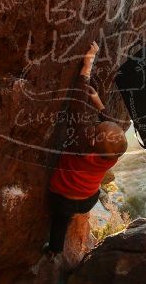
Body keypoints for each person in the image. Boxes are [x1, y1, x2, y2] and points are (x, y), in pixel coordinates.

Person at [43, 42, 128, 256]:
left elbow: (78, 106)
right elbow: (111, 130)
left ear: (91, 139)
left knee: (58, 223)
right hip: (88, 200)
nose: (94, 125)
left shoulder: (80, 144)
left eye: (95, 128)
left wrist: (87, 65)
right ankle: (59, 242)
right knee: (68, 213)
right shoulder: (112, 156)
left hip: (62, 197)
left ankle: (54, 250)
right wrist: (100, 105)